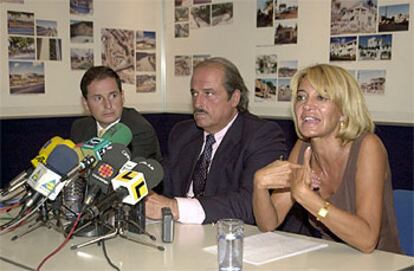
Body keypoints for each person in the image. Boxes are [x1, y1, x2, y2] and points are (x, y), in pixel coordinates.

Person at [253, 63, 401, 253]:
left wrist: (307, 197)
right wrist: (259, 186)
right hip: (332, 259)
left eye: (321, 97)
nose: (307, 105)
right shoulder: (303, 147)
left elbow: (367, 240)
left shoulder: (368, 146)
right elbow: (268, 225)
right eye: (301, 97)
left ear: (343, 111)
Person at [145, 57, 288, 224]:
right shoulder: (183, 133)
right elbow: (164, 183)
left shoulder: (261, 135)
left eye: (209, 93)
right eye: (194, 93)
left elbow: (250, 204)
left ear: (234, 98)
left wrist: (175, 208)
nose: (198, 102)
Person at [70, 65, 161, 161]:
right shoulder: (79, 128)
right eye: (98, 98)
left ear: (122, 96)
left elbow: (127, 172)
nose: (108, 105)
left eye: (113, 96)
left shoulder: (140, 130)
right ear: (85, 103)